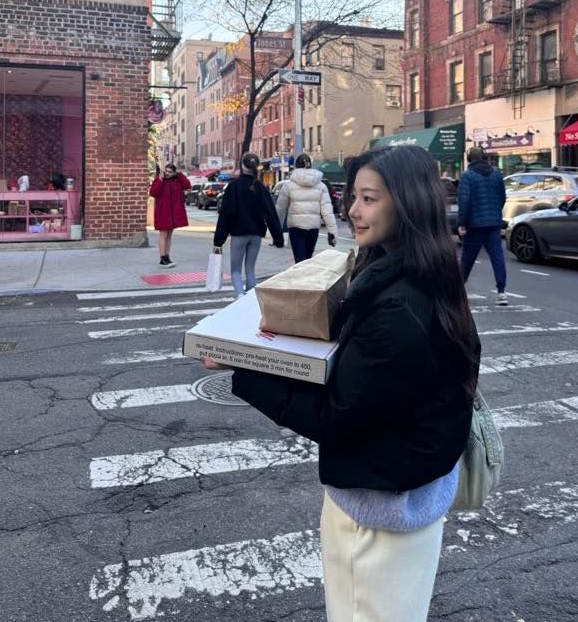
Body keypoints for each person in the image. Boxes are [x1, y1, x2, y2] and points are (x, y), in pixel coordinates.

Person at [205, 146, 480, 622]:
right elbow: (375, 378)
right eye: (353, 196)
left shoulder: (399, 308)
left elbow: (337, 416)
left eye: (369, 199)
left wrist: (244, 366)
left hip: (378, 510)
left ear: (408, 205)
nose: (353, 210)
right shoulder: (424, 272)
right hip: (408, 488)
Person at [214, 152, 284, 294]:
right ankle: (251, 298)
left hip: (239, 233)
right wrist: (278, 239)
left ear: (242, 166)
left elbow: (226, 215)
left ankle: (240, 296)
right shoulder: (260, 187)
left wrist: (219, 240)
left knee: (236, 270)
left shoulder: (233, 187)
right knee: (250, 269)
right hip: (256, 233)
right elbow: (271, 214)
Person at [457, 146, 509, 305]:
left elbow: (464, 201)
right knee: (497, 257)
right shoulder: (496, 174)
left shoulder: (467, 176)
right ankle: (502, 293)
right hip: (493, 223)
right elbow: (502, 197)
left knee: (467, 259)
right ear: (484, 157)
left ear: (469, 159)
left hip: (474, 224)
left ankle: (459, 290)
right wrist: (495, 213)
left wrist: (461, 223)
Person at [275, 153, 338, 262]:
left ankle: (300, 272)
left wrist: (277, 231)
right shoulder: (321, 186)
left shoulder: (288, 186)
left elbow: (281, 208)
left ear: (296, 166)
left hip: (296, 227)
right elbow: (327, 212)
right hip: (313, 228)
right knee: (308, 260)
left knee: (299, 260)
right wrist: (332, 232)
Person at [149, 163, 191, 268]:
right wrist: (160, 179)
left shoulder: (176, 181)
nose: (167, 173)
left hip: (172, 214)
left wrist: (179, 175)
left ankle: (167, 256)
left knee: (169, 236)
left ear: (174, 173)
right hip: (163, 212)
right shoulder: (159, 180)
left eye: (170, 172)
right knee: (163, 235)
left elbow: (187, 186)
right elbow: (153, 193)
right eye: (166, 171)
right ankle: (162, 258)